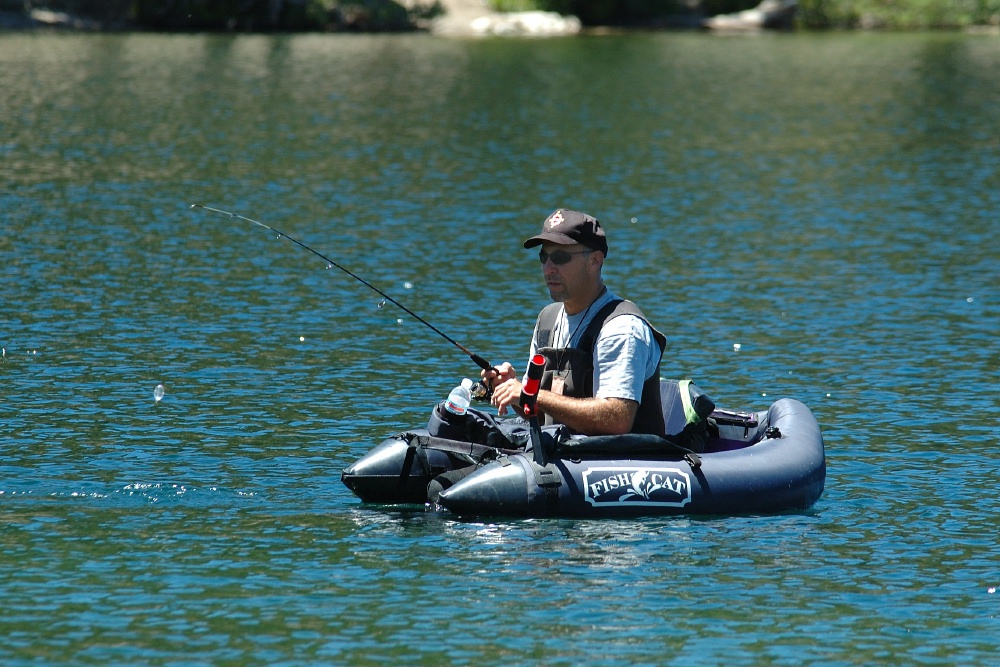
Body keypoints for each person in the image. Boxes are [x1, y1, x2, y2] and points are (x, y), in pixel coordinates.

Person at [484, 208, 667, 437]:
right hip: (567, 458)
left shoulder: (621, 328)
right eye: (544, 257)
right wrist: (512, 389)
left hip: (625, 466)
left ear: (594, 261)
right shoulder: (547, 321)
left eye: (560, 257)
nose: (548, 268)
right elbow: (541, 414)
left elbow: (617, 420)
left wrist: (531, 393)